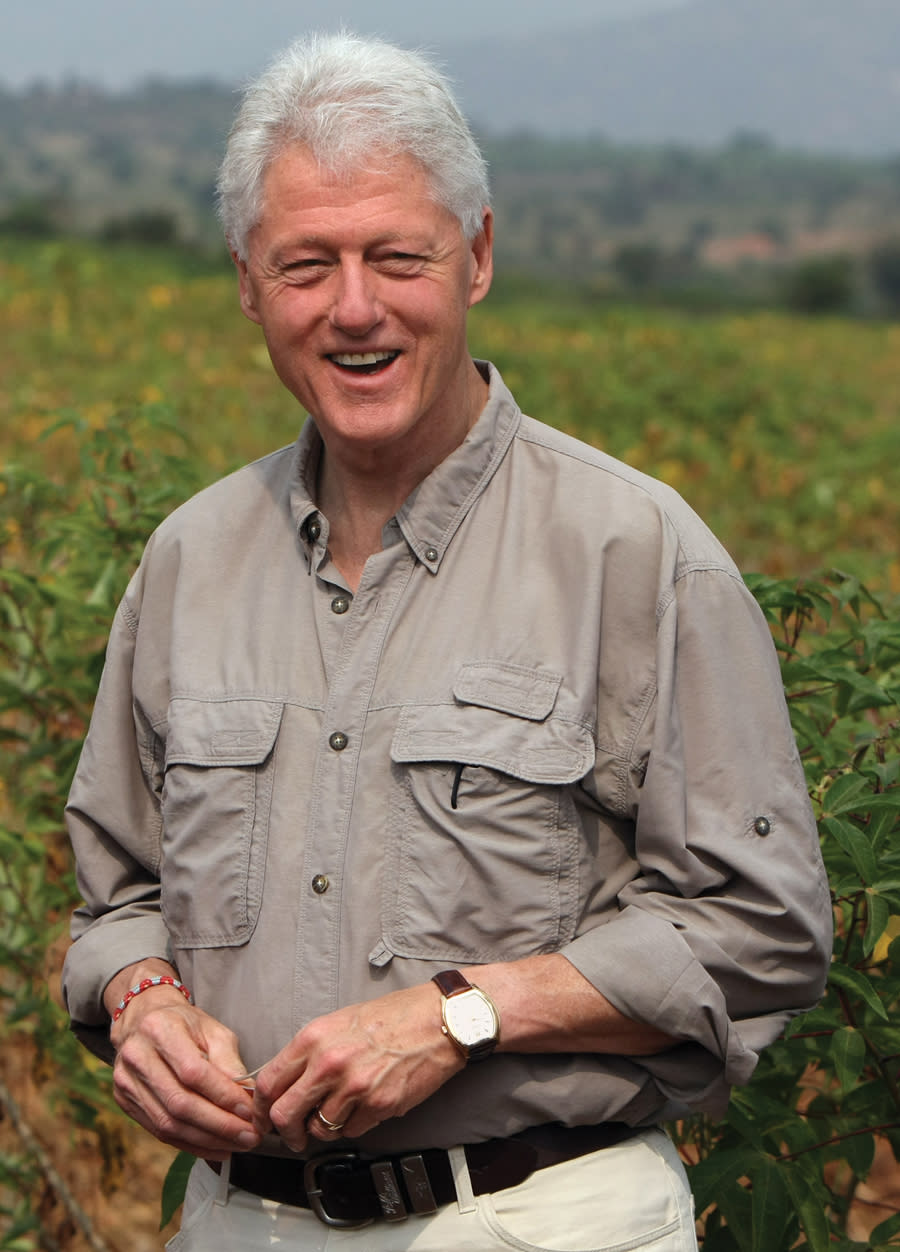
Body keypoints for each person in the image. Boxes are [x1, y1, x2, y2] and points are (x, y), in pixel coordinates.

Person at [62, 31, 832, 1252]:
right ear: (247, 282)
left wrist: (461, 1014)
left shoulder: (634, 552)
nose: (354, 308)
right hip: (243, 1222)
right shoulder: (189, 562)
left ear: (475, 256)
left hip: (537, 1215)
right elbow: (118, 897)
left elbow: (760, 925)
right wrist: (142, 996)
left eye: (396, 257)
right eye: (306, 264)